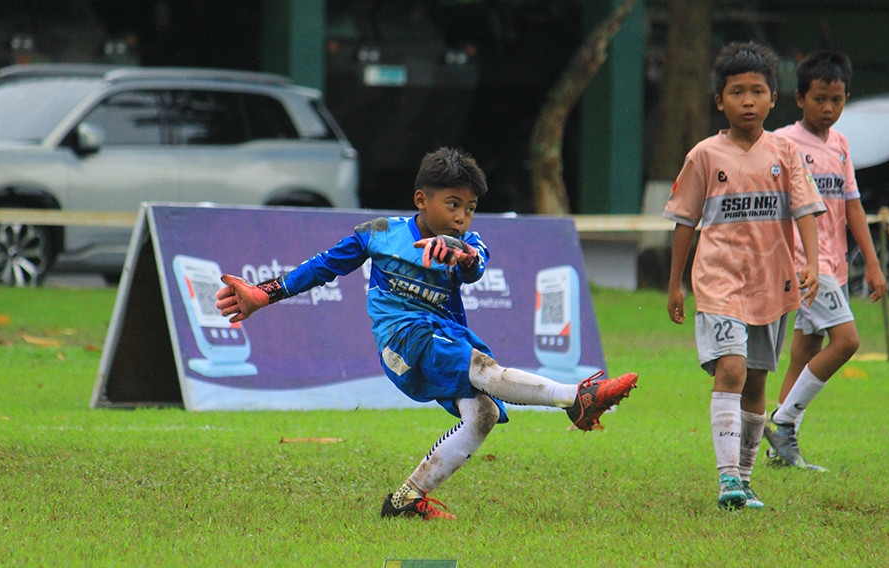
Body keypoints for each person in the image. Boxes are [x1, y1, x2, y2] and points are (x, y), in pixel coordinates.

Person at [214, 147, 638, 520]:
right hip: (404, 340)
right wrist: (263, 294)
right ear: (422, 200)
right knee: (481, 367)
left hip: (444, 336)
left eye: (470, 207)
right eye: (453, 204)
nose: (461, 217)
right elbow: (324, 266)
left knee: (484, 415)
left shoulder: (471, 243)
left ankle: (406, 499)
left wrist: (458, 252)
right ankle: (575, 397)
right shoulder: (379, 233)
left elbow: (474, 266)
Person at [664, 42, 825, 510]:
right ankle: (727, 480)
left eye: (758, 91)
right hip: (718, 282)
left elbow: (807, 211)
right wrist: (676, 283)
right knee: (731, 369)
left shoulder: (786, 152)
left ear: (775, 98)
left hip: (772, 286)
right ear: (720, 101)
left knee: (756, 383)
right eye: (737, 92)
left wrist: (811, 262)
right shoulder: (704, 155)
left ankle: (746, 478)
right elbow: (684, 222)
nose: (748, 101)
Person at [767, 51, 889, 470]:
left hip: (833, 265)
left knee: (803, 354)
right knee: (847, 341)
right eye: (820, 99)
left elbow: (852, 206)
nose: (828, 108)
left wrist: (872, 264)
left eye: (836, 100)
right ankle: (782, 422)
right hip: (804, 265)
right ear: (800, 98)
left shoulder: (840, 144)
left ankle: (778, 451)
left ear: (846, 98)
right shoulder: (782, 142)